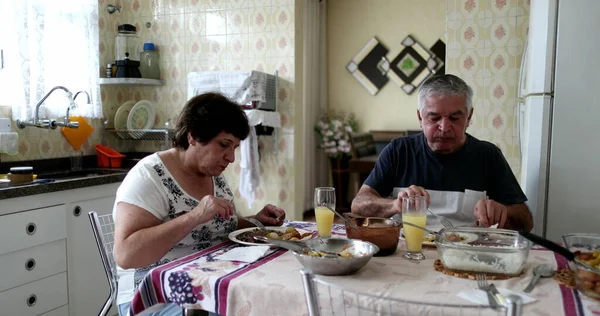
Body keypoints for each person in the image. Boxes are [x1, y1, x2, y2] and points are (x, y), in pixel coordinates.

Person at [112, 92, 286, 316]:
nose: (231, 158)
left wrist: (255, 220)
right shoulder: (149, 177)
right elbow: (127, 255)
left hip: (210, 286)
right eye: (224, 145)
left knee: (271, 300)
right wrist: (194, 216)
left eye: (234, 148)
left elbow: (216, 227)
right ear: (193, 137)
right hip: (156, 297)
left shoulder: (212, 173)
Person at [351, 74, 533, 232]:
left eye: (455, 118)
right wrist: (394, 204)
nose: (444, 127)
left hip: (466, 253)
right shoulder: (399, 150)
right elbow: (358, 206)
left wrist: (503, 212)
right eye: (434, 117)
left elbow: (526, 221)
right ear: (420, 117)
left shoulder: (488, 155)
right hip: (406, 253)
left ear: (469, 117)